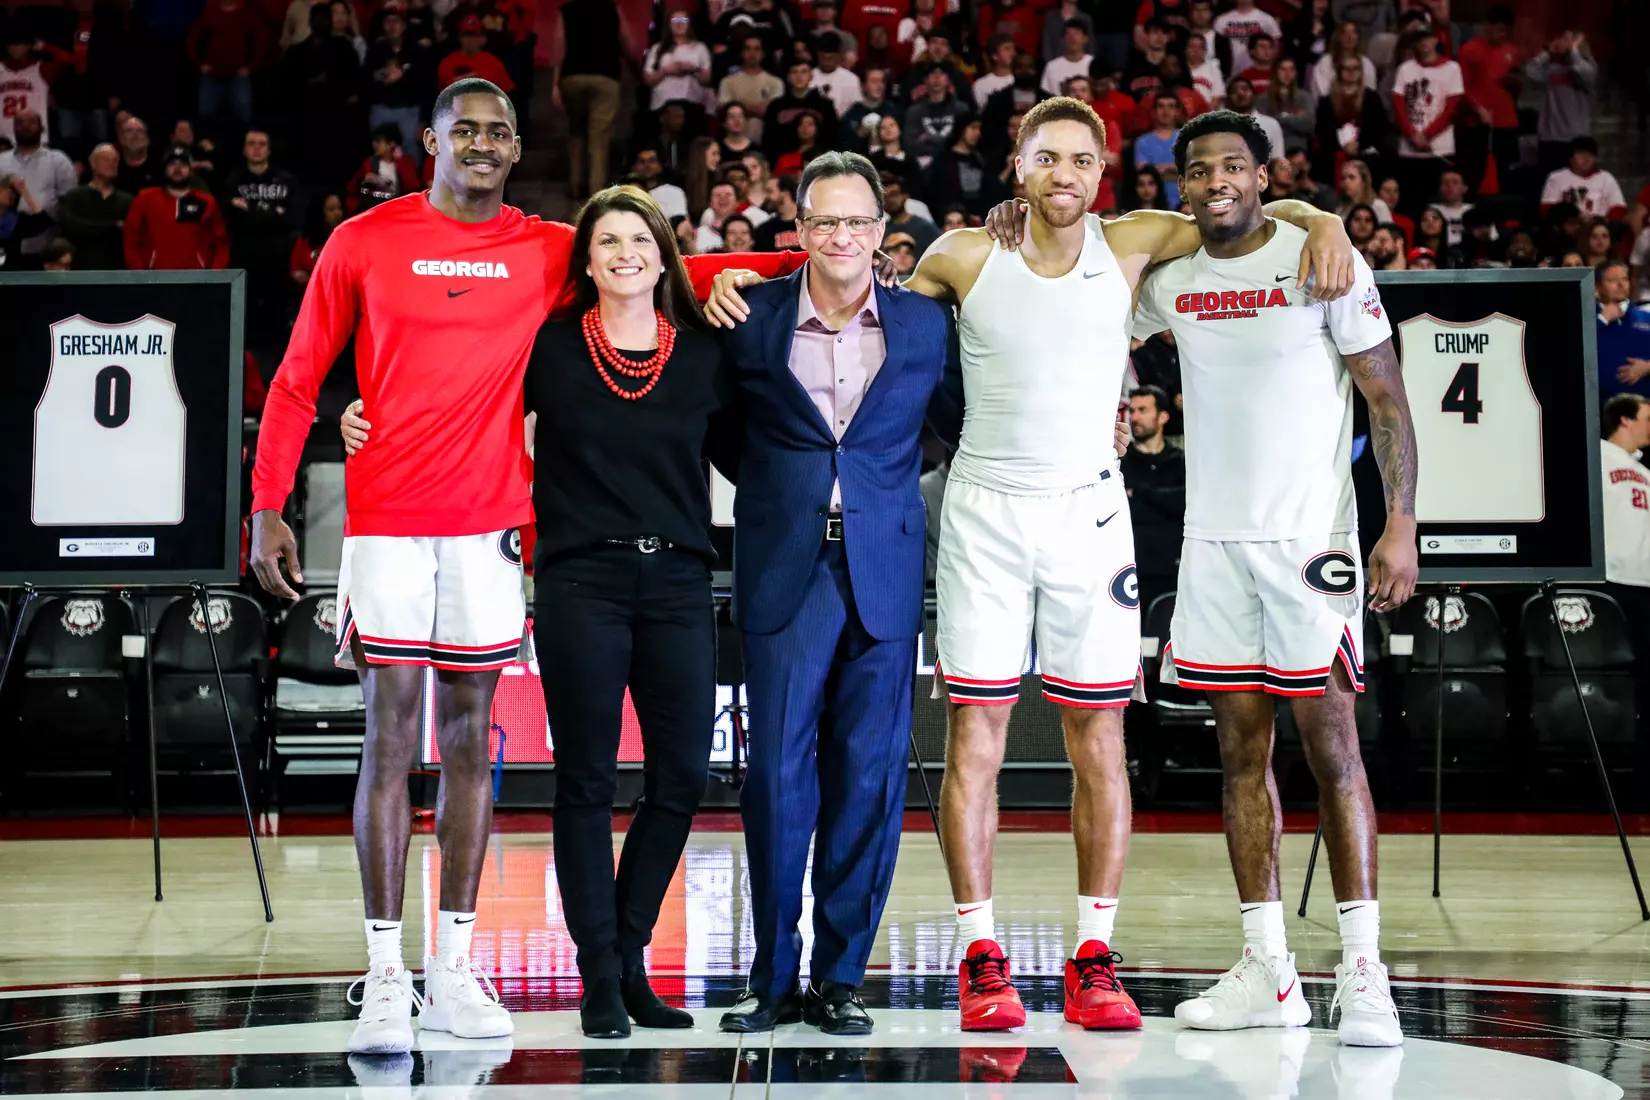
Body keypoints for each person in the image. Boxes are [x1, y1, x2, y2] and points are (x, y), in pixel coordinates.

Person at [249, 77, 803, 1057]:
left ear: (516, 147)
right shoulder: (362, 241)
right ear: (428, 138)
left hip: (491, 525)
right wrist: (267, 506)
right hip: (383, 517)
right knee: (389, 738)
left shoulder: (547, 249)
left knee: (469, 740)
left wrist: (816, 258)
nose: (483, 142)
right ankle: (384, 971)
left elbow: (683, 260)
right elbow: (296, 379)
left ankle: (451, 966)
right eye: (464, 127)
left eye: (501, 130)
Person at [929, 96, 1354, 1034]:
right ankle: (981, 956)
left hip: (1090, 511)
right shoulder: (961, 253)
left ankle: (1092, 957)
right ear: (1018, 164)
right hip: (986, 510)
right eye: (1047, 159)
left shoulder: (1131, 243)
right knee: (979, 737)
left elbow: (1242, 210)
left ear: (1104, 168)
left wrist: (1322, 217)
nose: (1065, 176)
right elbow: (859, 302)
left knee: (1099, 740)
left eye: (1082, 160)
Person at [344, 185, 736, 1039]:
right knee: (587, 783)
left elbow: (749, 451)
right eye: (607, 242)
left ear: (665, 254)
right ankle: (599, 976)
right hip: (578, 584)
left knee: (681, 780)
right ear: (584, 262)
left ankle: (629, 958)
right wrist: (363, 410)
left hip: (677, 585)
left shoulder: (706, 351)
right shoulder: (548, 347)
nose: (625, 252)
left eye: (641, 239)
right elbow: (450, 387)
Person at [1129, 108, 1416, 1048]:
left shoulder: (1322, 258)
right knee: (1238, 757)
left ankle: (1364, 971)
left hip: (1312, 544)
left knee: (1334, 752)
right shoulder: (1172, 282)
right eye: (1198, 169)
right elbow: (1083, 284)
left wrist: (1401, 523)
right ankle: (1270, 970)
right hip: (1213, 547)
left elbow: (1386, 398)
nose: (1216, 181)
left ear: (1265, 175)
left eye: (1234, 166)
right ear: (1182, 185)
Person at [695, 152, 964, 1036]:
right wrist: (793, 492)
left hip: (883, 571)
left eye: (857, 223)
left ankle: (840, 978)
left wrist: (874, 493)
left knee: (870, 780)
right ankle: (773, 977)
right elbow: (726, 435)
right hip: (785, 569)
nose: (841, 238)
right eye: (824, 222)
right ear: (799, 229)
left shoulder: (926, 327)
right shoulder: (751, 316)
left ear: (883, 233)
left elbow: (952, 430)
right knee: (773, 777)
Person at [1599, 393, 1650, 751]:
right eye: (1647, 416)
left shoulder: (1645, 471)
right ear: (1625, 420)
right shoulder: (1597, 456)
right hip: (1612, 583)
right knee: (1609, 679)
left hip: (1644, 584)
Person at [224, 130, 299, 342]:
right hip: (244, 261)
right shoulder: (234, 180)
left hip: (277, 261)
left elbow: (293, 218)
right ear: (244, 149)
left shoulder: (285, 180)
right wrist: (273, 213)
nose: (257, 148)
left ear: (269, 149)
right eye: (251, 143)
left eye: (262, 144)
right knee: (243, 325)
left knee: (277, 324)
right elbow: (233, 218)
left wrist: (251, 212)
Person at [1119, 385, 1185, 616]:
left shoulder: (1180, 462)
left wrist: (1140, 493)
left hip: (1172, 574)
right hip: (1129, 572)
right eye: (1133, 410)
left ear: (1163, 416)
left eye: (1143, 410)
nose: (1134, 417)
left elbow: (1185, 504)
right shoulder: (1121, 464)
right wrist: (1163, 501)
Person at [552, 0, 623, 199]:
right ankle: (595, 194)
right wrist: (636, 69)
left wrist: (555, 83)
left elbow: (559, 45)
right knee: (599, 137)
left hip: (572, 76)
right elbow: (627, 40)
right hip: (605, 77)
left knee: (576, 131)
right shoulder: (611, 7)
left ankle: (575, 185)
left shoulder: (567, 10)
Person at [122, 145, 230, 270]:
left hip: (197, 280)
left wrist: (214, 278)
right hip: (154, 279)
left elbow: (221, 243)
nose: (177, 168)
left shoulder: (207, 201)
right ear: (164, 168)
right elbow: (130, 238)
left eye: (183, 165)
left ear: (191, 169)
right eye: (172, 164)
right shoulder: (145, 198)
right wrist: (139, 274)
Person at [1391, 29, 1463, 209]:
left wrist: (1428, 135)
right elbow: (1398, 105)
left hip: (1439, 149)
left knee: (1437, 203)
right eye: (1419, 39)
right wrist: (1412, 134)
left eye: (1427, 38)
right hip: (1409, 149)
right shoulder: (1405, 69)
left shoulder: (1452, 69)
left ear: (1435, 40)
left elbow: (1451, 109)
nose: (1424, 43)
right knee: (1409, 201)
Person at [1456, 5, 1520, 188]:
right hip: (1477, 123)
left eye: (1506, 31)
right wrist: (1479, 109)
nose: (1502, 34)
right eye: (1499, 29)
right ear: (1488, 27)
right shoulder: (1469, 50)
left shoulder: (1511, 52)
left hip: (1506, 122)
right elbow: (1462, 86)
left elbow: (1516, 84)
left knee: (1505, 173)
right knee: (1475, 174)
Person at [0, 110, 76, 261]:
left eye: (31, 122)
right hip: (6, 241)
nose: (25, 126)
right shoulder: (1, 161)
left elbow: (69, 203)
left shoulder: (58, 160)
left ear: (42, 128)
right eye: (20, 123)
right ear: (13, 128)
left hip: (48, 244)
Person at [364, 5, 431, 168]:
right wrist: (382, 77)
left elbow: (426, 86)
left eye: (396, 21)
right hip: (381, 109)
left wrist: (424, 121)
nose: (392, 26)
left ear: (404, 25)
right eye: (388, 21)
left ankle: (412, 189)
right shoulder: (375, 51)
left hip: (408, 111)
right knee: (379, 153)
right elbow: (364, 81)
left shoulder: (416, 52)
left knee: (410, 152)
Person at [186, 0, 266, 133]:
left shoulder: (247, 17)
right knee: (205, 120)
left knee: (244, 119)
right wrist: (200, 64)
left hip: (238, 77)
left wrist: (250, 67)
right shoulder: (208, 16)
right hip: (212, 76)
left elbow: (261, 44)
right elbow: (192, 43)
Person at [1525, 30, 1595, 174]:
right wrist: (1547, 53)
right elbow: (1531, 71)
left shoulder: (1585, 68)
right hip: (1549, 137)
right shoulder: (1552, 68)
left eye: (1565, 39)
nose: (1560, 41)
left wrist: (1574, 50)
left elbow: (1585, 73)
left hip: (1575, 138)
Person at [58, 144, 132, 271]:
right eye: (106, 159)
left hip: (117, 270)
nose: (111, 163)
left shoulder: (128, 201)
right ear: (92, 163)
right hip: (82, 269)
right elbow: (73, 229)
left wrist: (92, 229)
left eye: (115, 160)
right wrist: (114, 226)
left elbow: (130, 235)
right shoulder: (74, 197)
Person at [1315, 54, 1387, 169]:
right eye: (1347, 69)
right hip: (1334, 156)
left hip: (1366, 154)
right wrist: (1342, 145)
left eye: (1355, 68)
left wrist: (1359, 144)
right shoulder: (1327, 101)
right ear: (1339, 72)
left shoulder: (1371, 98)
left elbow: (1378, 128)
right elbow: (1322, 130)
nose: (1351, 72)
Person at [1597, 260, 1650, 399]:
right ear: (1597, 288)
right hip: (1600, 406)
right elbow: (1571, 350)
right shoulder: (1588, 320)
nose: (1621, 285)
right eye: (1612, 280)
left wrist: (1647, 367)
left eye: (1624, 279)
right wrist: (1602, 319)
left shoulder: (1646, 317)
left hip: (1645, 406)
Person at [1541, 137, 1627, 222]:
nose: (1586, 158)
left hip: (1598, 227)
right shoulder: (1556, 178)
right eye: (1581, 154)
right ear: (1571, 158)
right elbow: (1546, 210)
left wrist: (1602, 223)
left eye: (1590, 154)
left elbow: (1620, 208)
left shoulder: (1606, 178)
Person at [644, 8, 712, 114]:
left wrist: (693, 70)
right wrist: (664, 71)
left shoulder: (700, 47)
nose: (679, 23)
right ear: (669, 25)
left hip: (692, 103)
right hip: (663, 104)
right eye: (675, 21)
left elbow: (707, 80)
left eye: (684, 20)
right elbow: (648, 79)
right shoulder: (657, 48)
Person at [719, 35, 784, 147]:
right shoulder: (728, 82)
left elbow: (772, 113)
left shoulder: (775, 82)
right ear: (742, 53)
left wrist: (741, 105)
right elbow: (726, 111)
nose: (752, 53)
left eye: (757, 49)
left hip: (766, 137)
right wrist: (758, 107)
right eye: (748, 49)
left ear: (763, 53)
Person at [1134, 93, 1183, 207]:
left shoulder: (1186, 139)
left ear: (1178, 111)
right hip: (1153, 205)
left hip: (1183, 203)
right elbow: (1144, 173)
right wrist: (1174, 169)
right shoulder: (1142, 141)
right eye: (1161, 106)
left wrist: (1158, 170)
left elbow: (1189, 169)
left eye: (1170, 106)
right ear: (1154, 111)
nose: (1165, 111)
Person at [1222, 78, 1282, 166]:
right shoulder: (1219, 125)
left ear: (1254, 95)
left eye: (1245, 89)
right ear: (1228, 99)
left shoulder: (1271, 124)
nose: (1240, 94)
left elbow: (1278, 160)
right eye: (1234, 91)